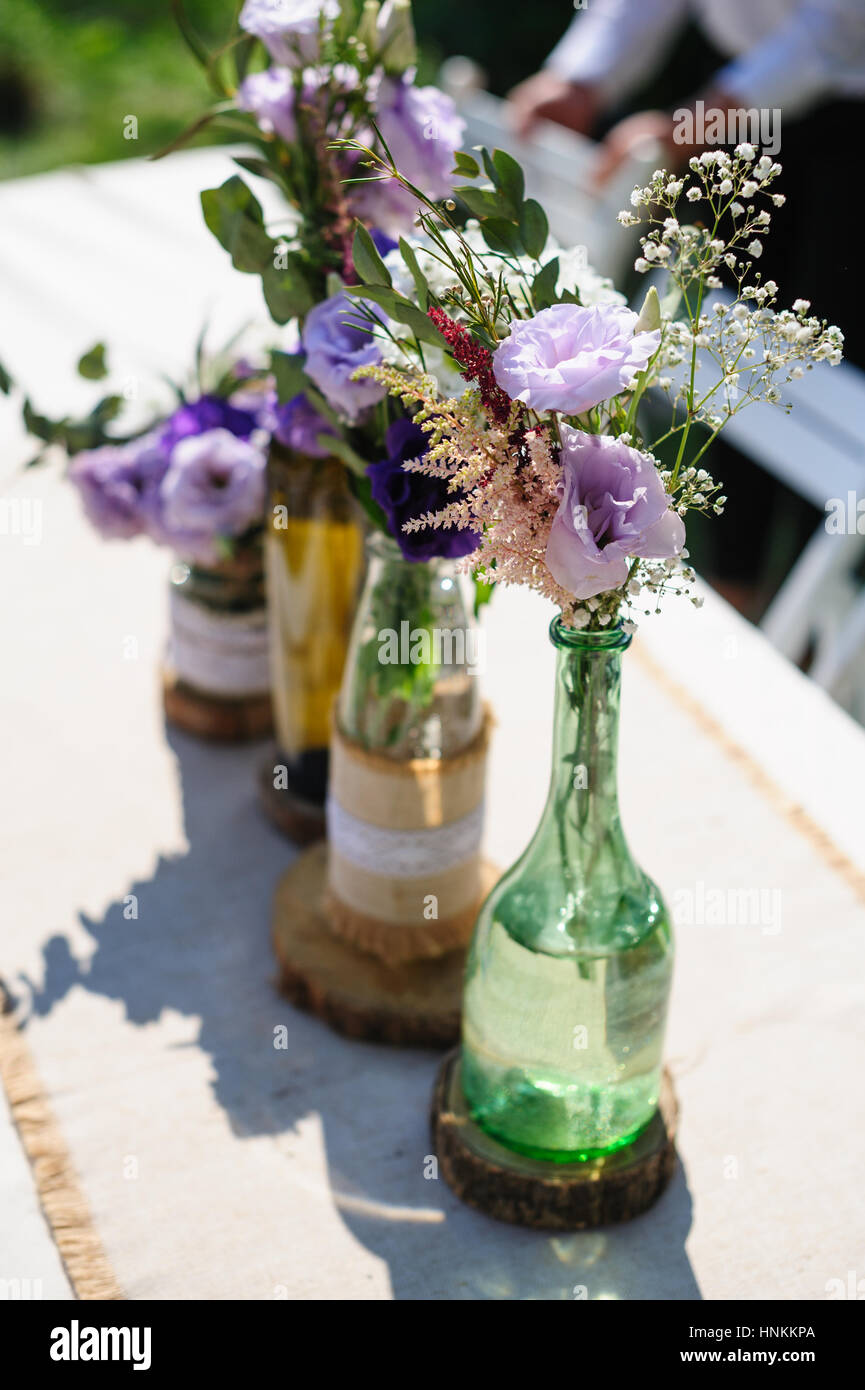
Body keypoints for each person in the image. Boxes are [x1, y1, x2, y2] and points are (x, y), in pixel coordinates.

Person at [508, 0, 865, 614]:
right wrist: (580, 75)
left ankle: (815, 639)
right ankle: (739, 602)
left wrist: (689, 126)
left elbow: (835, 29)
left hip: (844, 125)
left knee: (829, 405)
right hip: (741, 101)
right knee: (737, 377)